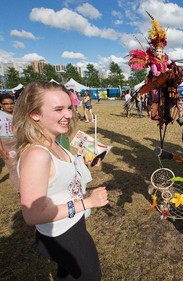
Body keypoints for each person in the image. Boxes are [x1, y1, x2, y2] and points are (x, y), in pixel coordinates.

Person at [13, 81, 109, 280]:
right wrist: (87, 202)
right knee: (90, 276)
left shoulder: (53, 141)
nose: (69, 114)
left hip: (72, 224)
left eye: (69, 107)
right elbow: (32, 215)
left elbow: (58, 176)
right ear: (34, 114)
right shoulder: (37, 154)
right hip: (62, 234)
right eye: (58, 109)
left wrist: (83, 161)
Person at [0, 93, 19, 192]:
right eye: (6, 104)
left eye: (11, 103)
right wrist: (2, 150)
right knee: (13, 167)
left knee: (22, 165)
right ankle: (20, 190)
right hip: (6, 143)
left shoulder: (17, 114)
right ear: (1, 105)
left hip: (19, 141)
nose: (9, 106)